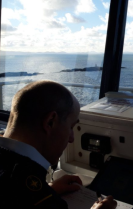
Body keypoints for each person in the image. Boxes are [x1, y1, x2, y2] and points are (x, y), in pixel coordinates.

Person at [0, 80, 117, 209]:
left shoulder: (26, 187)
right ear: (50, 122)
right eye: (71, 127)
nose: (71, 138)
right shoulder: (35, 196)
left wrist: (48, 190)